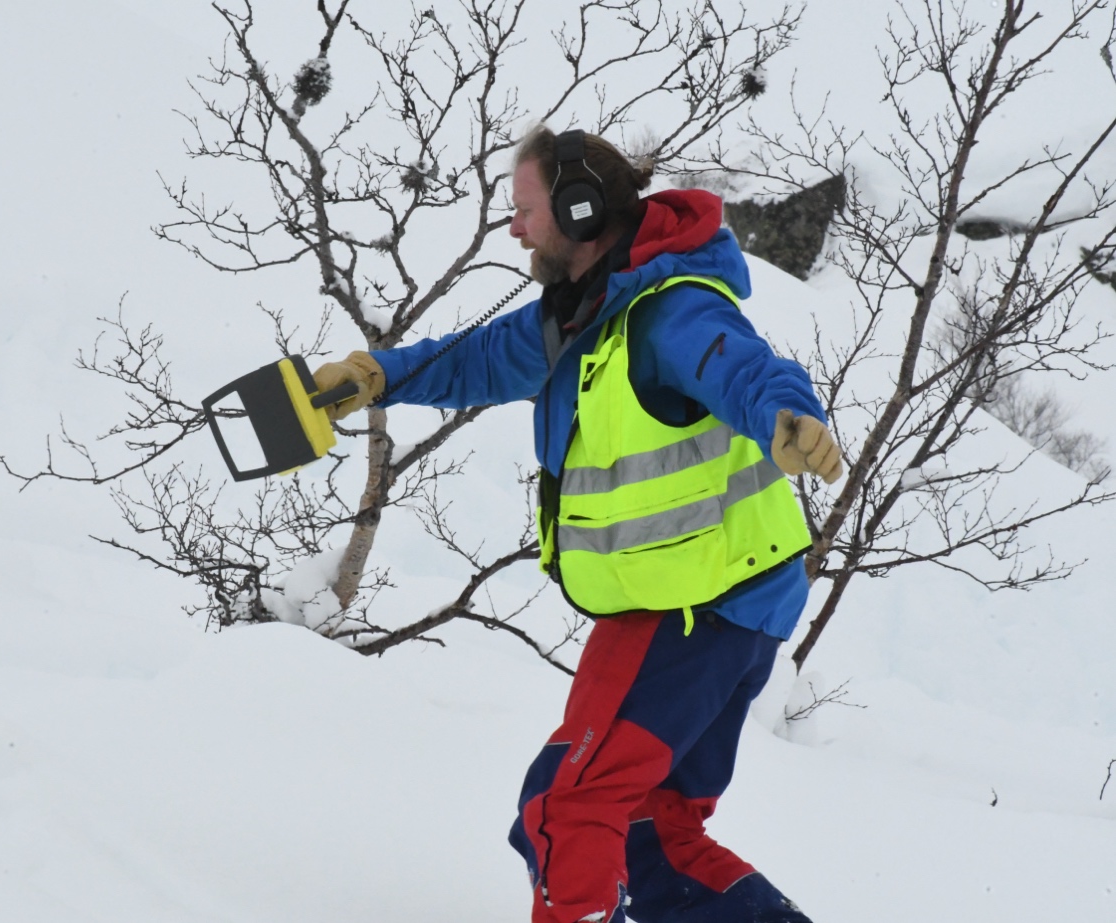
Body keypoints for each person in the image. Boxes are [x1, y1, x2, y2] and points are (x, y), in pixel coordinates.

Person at [313, 125, 842, 923]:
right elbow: (478, 359)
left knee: (568, 808)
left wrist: (787, 413)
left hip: (692, 604)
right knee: (647, 828)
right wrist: (374, 377)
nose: (516, 227)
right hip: (717, 603)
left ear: (582, 208)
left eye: (525, 208)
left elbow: (738, 365)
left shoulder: (669, 313)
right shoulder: (583, 317)